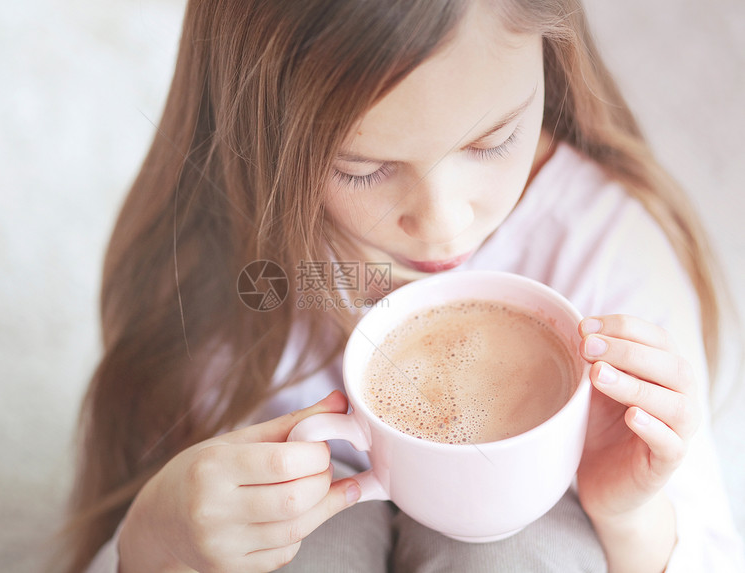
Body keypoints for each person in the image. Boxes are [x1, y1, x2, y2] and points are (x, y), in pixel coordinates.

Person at [53, 0, 745, 571]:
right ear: (257, 129)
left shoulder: (609, 250)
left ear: (552, 52)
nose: (443, 227)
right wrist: (157, 538)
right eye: (362, 168)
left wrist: (629, 515)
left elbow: (709, 546)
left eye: (492, 140)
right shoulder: (228, 282)